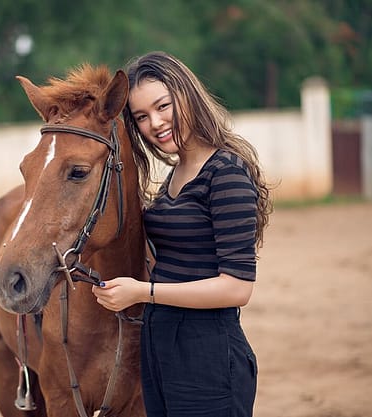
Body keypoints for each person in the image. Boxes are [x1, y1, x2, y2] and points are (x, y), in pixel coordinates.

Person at [92, 51, 273, 417]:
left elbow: (237, 288)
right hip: (161, 349)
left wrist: (143, 292)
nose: (155, 123)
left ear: (186, 94)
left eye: (163, 106)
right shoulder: (174, 177)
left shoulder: (225, 173)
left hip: (207, 354)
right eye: (141, 117)